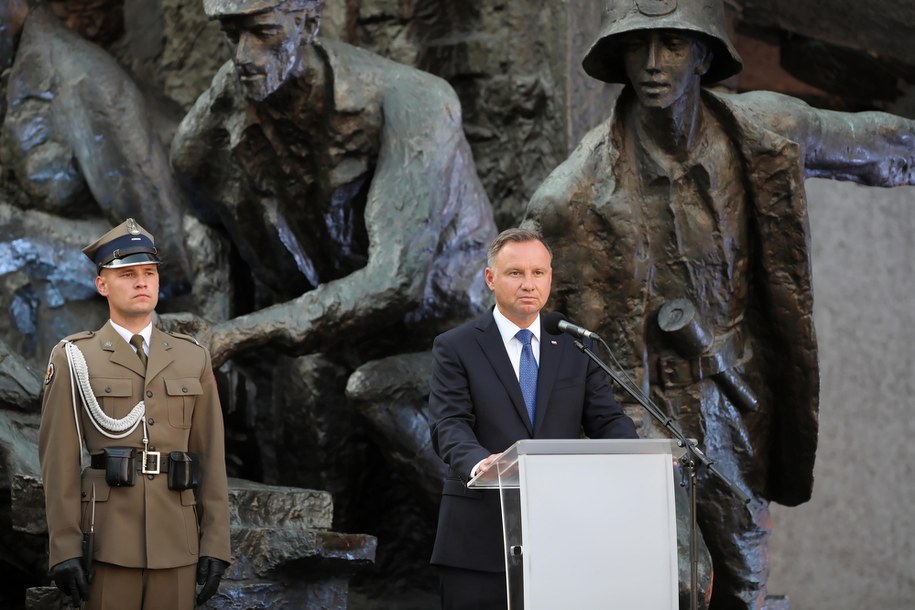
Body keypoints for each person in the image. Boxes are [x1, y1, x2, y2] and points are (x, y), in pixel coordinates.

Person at [522, 1, 915, 608]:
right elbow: (591, 358)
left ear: (705, 54)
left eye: (674, 44)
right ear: (618, 57)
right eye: (638, 45)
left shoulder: (764, 131)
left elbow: (882, 143)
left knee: (743, 582)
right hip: (644, 404)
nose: (654, 64)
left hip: (737, 399)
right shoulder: (571, 199)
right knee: (677, 578)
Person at [168, 0, 495, 366]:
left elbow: (396, 281)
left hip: (453, 334)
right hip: (336, 343)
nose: (243, 55)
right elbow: (202, 215)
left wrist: (237, 333)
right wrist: (218, 341)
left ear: (307, 24)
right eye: (232, 34)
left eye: (263, 32)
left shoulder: (415, 101)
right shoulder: (222, 111)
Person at [427, 228, 638, 610]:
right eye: (515, 273)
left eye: (538, 273)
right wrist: (480, 463)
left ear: (550, 278)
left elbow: (607, 420)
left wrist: (639, 459)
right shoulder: (456, 346)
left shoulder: (576, 345)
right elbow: (448, 424)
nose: (529, 284)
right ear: (491, 278)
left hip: (563, 539)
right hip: (478, 542)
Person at [38, 218, 231, 609]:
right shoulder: (75, 357)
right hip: (109, 541)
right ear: (102, 285)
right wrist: (64, 546)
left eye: (149, 273)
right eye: (127, 274)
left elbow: (211, 458)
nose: (142, 282)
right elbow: (57, 461)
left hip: (177, 542)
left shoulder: (192, 356)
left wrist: (215, 542)